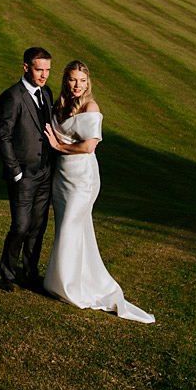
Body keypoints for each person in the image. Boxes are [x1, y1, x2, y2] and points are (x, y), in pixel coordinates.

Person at [42, 60, 155, 323]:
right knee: (70, 228)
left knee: (71, 225)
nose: (77, 85)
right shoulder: (59, 106)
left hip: (83, 178)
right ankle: (67, 280)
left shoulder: (91, 107)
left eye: (82, 81)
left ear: (87, 82)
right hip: (62, 178)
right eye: (72, 80)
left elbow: (88, 147)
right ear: (65, 80)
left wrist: (59, 147)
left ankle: (67, 287)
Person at [0, 46, 55, 292]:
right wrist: (16, 172)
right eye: (39, 70)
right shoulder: (12, 96)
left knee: (37, 228)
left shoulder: (47, 93)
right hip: (23, 176)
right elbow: (2, 136)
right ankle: (7, 274)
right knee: (20, 226)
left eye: (48, 70)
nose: (44, 75)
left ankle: (30, 273)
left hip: (45, 174)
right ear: (26, 67)